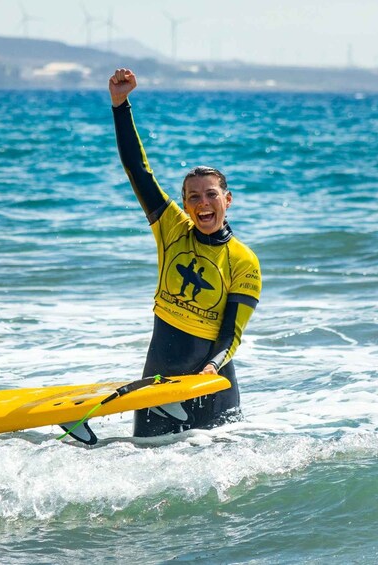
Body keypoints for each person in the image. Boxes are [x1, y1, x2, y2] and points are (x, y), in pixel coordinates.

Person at [109, 68, 262, 437]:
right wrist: (120, 105)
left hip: (209, 386)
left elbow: (231, 335)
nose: (203, 203)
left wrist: (210, 368)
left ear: (228, 200)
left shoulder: (244, 261)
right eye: (193, 197)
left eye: (211, 194)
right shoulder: (172, 229)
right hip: (157, 382)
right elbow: (138, 171)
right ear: (185, 204)